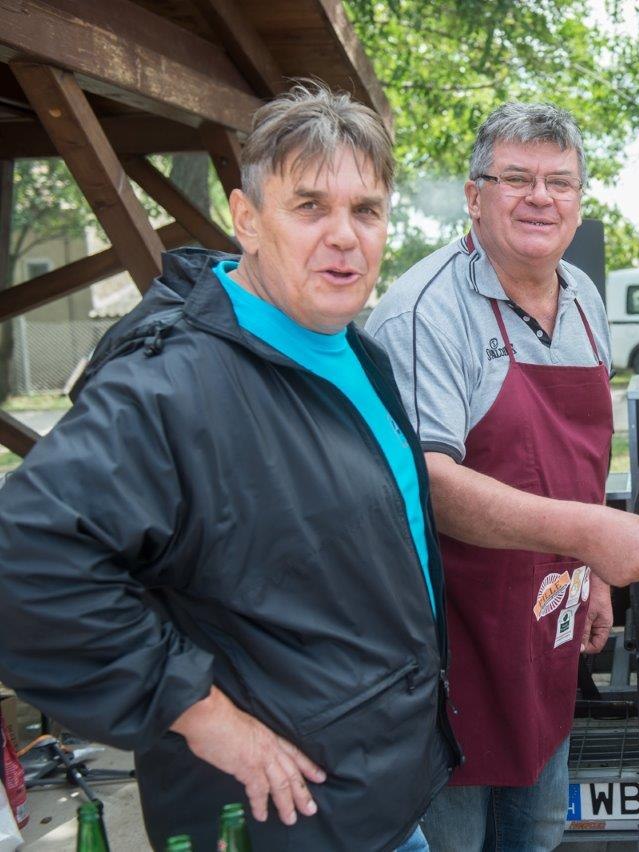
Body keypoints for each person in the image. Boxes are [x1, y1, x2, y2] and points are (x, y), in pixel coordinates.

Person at [0, 84, 455, 852]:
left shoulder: (355, 351)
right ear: (246, 219)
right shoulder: (173, 381)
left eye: (366, 210)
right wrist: (201, 714)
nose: (344, 237)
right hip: (273, 817)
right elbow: (26, 563)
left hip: (377, 797)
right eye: (310, 207)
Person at [366, 102, 639, 851]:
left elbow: (584, 451)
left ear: (579, 201)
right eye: (515, 178)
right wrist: (589, 534)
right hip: (450, 646)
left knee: (537, 832)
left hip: (545, 626)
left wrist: (592, 572)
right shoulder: (425, 312)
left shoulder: (583, 298)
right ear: (474, 197)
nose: (540, 197)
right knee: (457, 841)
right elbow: (428, 483)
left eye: (559, 182)